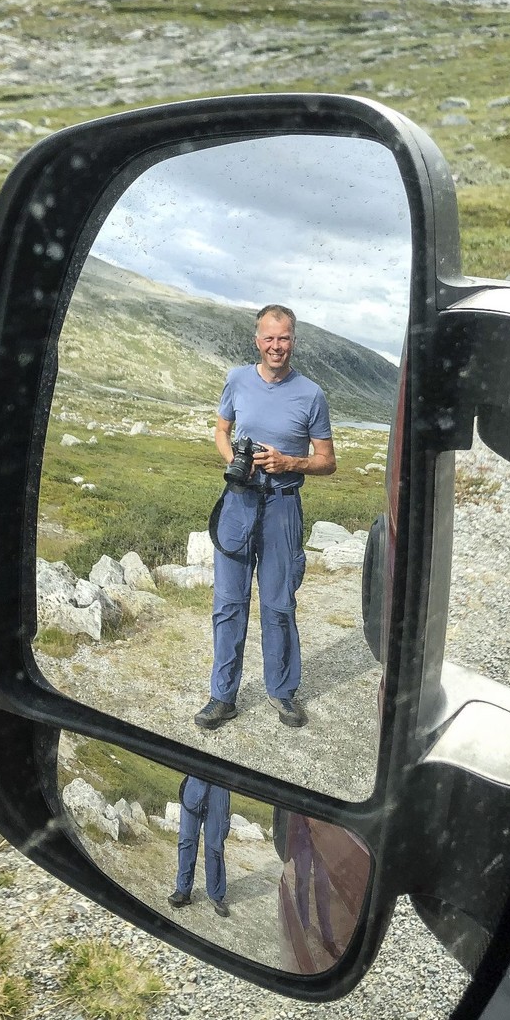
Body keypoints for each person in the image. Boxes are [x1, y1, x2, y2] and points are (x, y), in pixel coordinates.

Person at [195, 304, 337, 730]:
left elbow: (327, 461)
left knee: (279, 604)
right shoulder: (237, 379)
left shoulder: (311, 394)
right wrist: (234, 460)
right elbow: (221, 430)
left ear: (294, 341)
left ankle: (282, 693)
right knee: (228, 604)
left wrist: (288, 462)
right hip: (238, 501)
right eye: (269, 338)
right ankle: (223, 698)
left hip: (283, 506)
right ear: (257, 340)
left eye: (285, 338)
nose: (277, 346)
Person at [168, 775, 232, 917]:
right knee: (186, 839)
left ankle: (216, 896)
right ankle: (182, 891)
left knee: (214, 844)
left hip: (220, 785)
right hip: (195, 779)